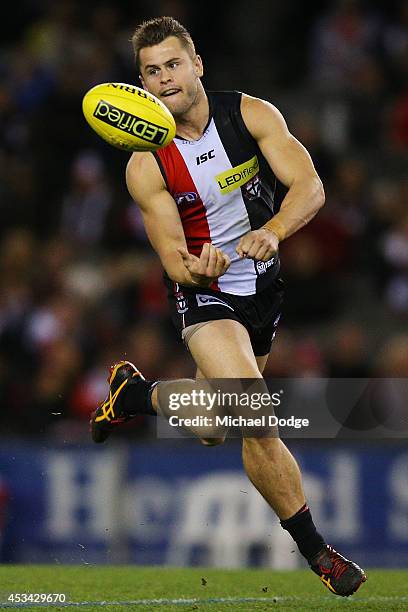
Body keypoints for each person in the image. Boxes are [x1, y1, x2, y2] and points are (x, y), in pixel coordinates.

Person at [90, 16, 367, 597]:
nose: (164, 80)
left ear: (197, 66)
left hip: (262, 286)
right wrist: (196, 267)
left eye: (172, 64)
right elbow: (170, 258)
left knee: (216, 426)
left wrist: (274, 230)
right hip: (206, 293)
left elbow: (309, 187)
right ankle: (319, 553)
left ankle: (134, 395)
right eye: (150, 72)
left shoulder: (250, 115)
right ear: (139, 84)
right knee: (254, 415)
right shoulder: (145, 164)